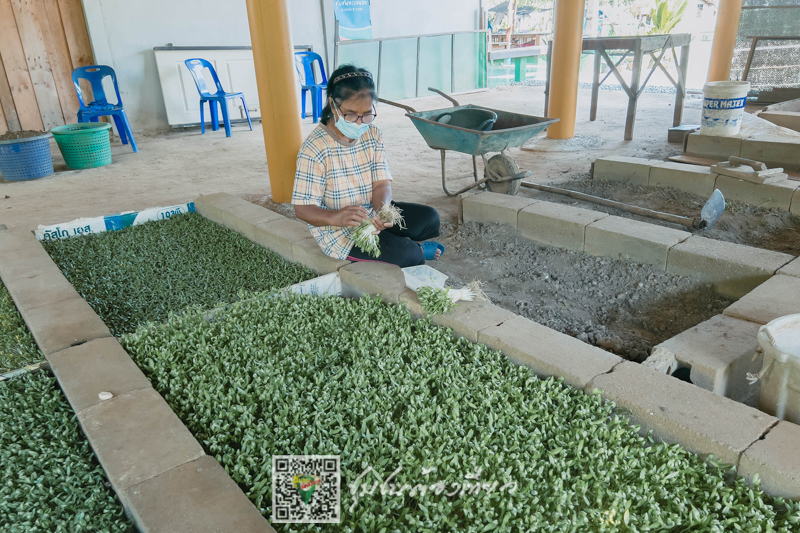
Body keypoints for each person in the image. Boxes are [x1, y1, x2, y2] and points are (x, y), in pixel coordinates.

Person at [292, 65, 444, 268]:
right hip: (340, 232)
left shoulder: (372, 134)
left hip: (370, 213)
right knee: (411, 256)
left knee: (429, 218)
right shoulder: (315, 148)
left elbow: (381, 184)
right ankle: (415, 249)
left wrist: (383, 210)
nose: (359, 122)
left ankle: (397, 242)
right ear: (332, 104)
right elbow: (302, 209)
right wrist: (336, 217)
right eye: (351, 114)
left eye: (366, 114)